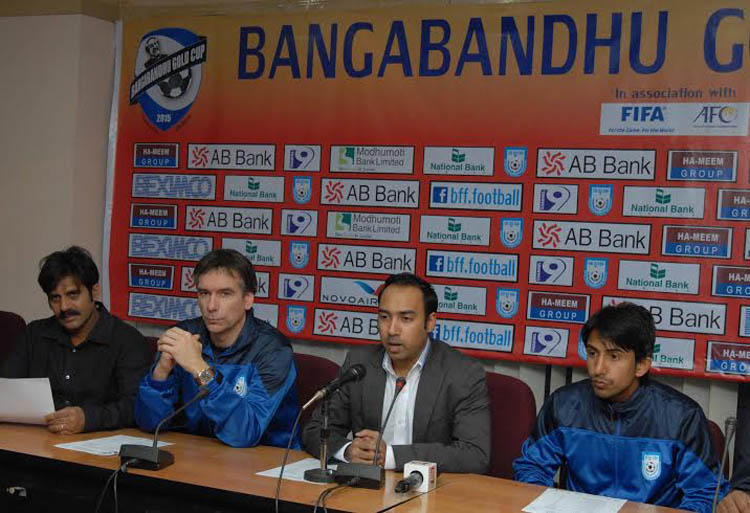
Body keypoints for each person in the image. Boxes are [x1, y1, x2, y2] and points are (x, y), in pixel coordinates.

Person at [514, 302, 727, 512]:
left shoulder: (681, 416)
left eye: (614, 356)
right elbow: (532, 467)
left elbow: (706, 493)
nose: (598, 369)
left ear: (641, 365)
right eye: (592, 353)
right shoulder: (563, 405)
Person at [302, 272, 490, 473]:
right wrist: (348, 451)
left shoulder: (463, 373)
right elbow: (315, 431)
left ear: (430, 322)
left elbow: (474, 455)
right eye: (384, 317)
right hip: (364, 488)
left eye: (406, 318)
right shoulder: (360, 363)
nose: (392, 329)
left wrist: (390, 456)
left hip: (429, 493)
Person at [134, 248, 300, 448]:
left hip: (265, 464)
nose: (211, 306)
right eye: (204, 293)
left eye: (225, 294)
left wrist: (200, 370)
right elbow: (148, 423)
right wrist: (161, 372)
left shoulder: (273, 350)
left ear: (248, 299)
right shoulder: (185, 336)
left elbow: (243, 434)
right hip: (199, 455)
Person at [0, 246, 151, 434]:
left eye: (73, 295)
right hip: (37, 442)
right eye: (55, 298)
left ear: (94, 292)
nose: (64, 307)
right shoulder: (35, 334)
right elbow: (6, 390)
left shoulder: (127, 340)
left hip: (97, 448)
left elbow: (136, 406)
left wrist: (88, 418)